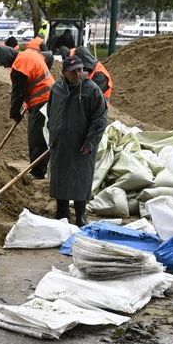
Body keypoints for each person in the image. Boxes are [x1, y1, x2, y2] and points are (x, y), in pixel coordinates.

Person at [46, 55, 108, 226]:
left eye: (81, 70)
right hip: (60, 143)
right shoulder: (57, 89)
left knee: (81, 179)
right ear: (64, 72)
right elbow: (51, 112)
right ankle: (62, 213)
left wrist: (90, 142)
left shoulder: (92, 90)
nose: (78, 74)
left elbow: (100, 119)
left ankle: (81, 215)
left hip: (82, 144)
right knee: (60, 179)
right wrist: (53, 133)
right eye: (73, 71)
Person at [9, 46, 54, 178]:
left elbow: (17, 93)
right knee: (44, 136)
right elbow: (49, 57)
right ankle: (44, 169)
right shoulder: (28, 53)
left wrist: (15, 114)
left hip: (41, 102)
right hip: (50, 97)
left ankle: (38, 172)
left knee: (36, 137)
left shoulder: (19, 65)